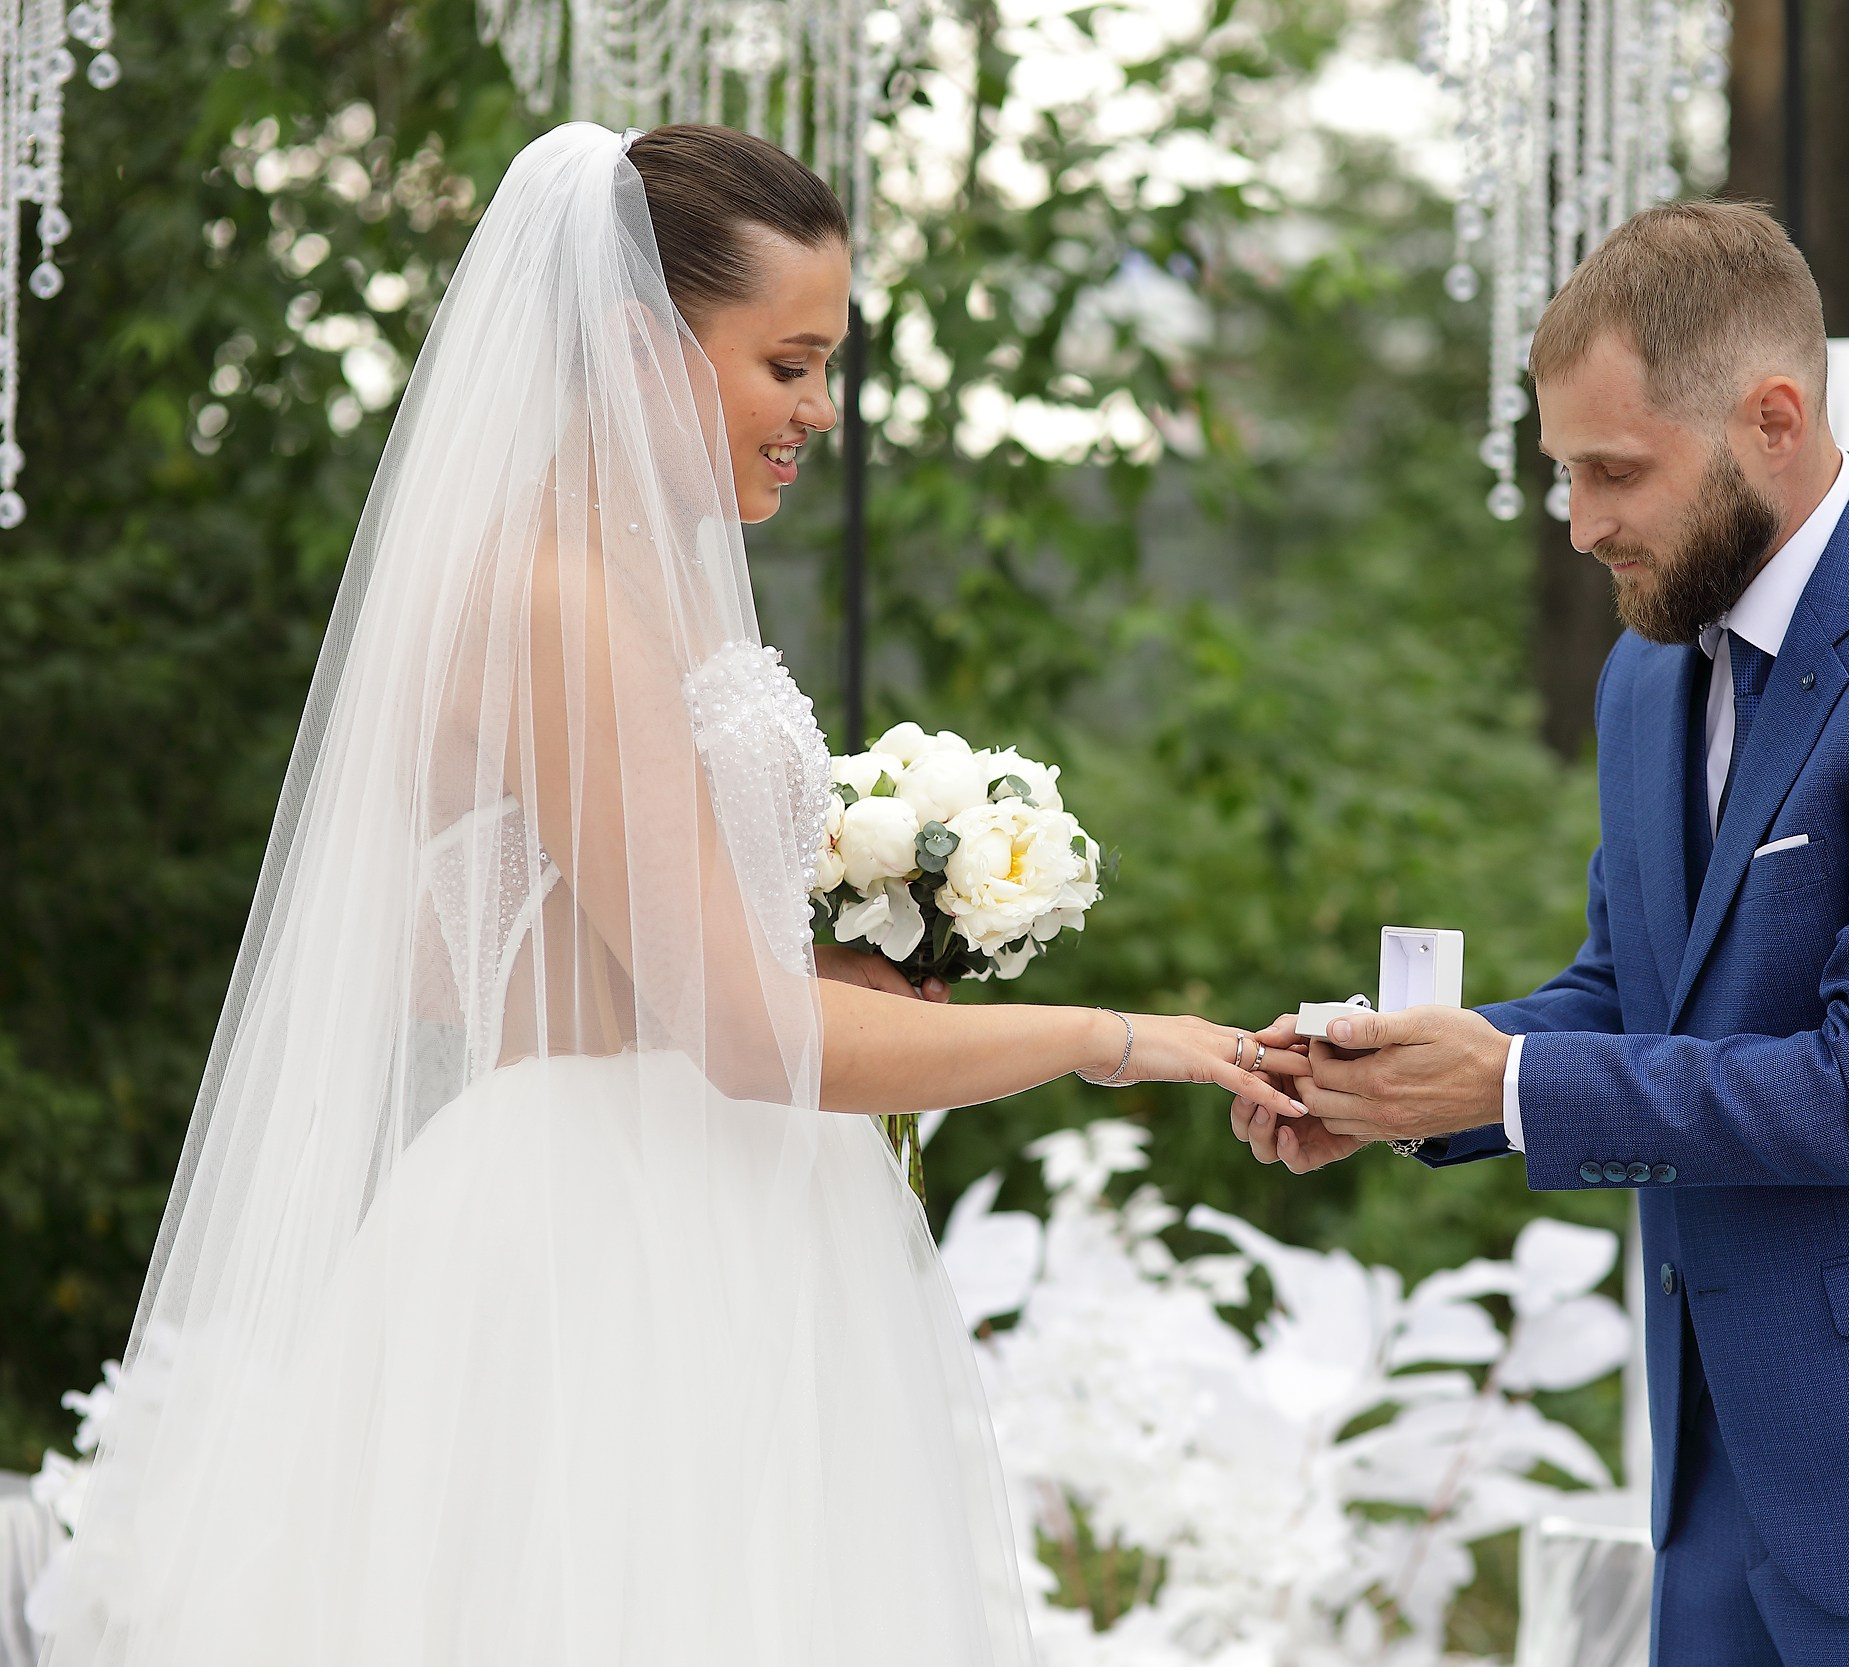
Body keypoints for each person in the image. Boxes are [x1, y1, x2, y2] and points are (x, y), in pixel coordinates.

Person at [39, 122, 1306, 1666]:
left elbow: (537, 963)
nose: (819, 410)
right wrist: (1116, 1040)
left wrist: (820, 983)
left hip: (728, 1216)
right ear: (646, 347)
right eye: (790, 364)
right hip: (599, 1248)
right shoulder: (558, 601)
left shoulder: (631, 582)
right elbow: (731, 1032)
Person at [1231, 202, 1849, 1666]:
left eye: (1616, 471)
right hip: (1720, 1475)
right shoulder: (1649, 671)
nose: (1581, 523)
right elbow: (1634, 994)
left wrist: (1508, 1085)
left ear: (1772, 421)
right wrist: (1397, 1078)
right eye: (1564, 472)